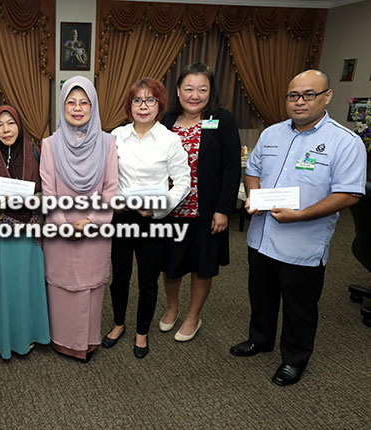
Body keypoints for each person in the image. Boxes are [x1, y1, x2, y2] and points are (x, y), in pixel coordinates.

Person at [230, 69, 366, 386]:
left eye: (308, 94)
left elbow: (349, 194)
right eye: (293, 95)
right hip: (261, 238)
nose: (299, 102)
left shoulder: (345, 142)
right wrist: (255, 195)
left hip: (302, 244)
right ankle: (260, 339)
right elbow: (252, 171)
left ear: (327, 97)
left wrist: (301, 214)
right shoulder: (272, 134)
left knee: (299, 307)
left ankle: (294, 358)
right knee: (260, 296)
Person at [102, 78, 190, 358]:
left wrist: (158, 208)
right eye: (137, 100)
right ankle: (118, 324)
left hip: (153, 221)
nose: (143, 106)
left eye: (150, 100)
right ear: (129, 106)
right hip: (123, 218)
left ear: (160, 104)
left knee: (148, 280)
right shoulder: (116, 136)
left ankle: (142, 331)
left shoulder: (170, 139)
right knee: (120, 277)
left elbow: (184, 182)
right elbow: (106, 177)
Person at [157, 63, 241, 342]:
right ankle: (172, 308)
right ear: (178, 91)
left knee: (202, 266)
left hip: (205, 212)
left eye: (202, 89)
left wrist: (223, 209)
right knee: (170, 266)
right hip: (169, 211)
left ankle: (193, 315)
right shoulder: (166, 121)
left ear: (210, 92)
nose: (195, 95)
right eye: (189, 89)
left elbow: (231, 168)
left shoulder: (222, 120)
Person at [40, 76, 118, 362]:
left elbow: (111, 188)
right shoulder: (49, 145)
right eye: (70, 102)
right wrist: (63, 225)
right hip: (60, 230)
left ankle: (87, 341)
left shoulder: (109, 143)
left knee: (89, 288)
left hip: (94, 230)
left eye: (84, 102)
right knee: (62, 287)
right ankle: (62, 341)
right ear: (62, 106)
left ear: (93, 106)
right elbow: (48, 189)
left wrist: (91, 221)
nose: (77, 108)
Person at [0, 105, 50, 359]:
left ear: (19, 125)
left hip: (28, 233)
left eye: (11, 123)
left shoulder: (35, 153)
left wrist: (34, 200)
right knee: (0, 287)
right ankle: (0, 337)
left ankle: (26, 334)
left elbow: (49, 192)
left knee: (24, 286)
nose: (6, 130)